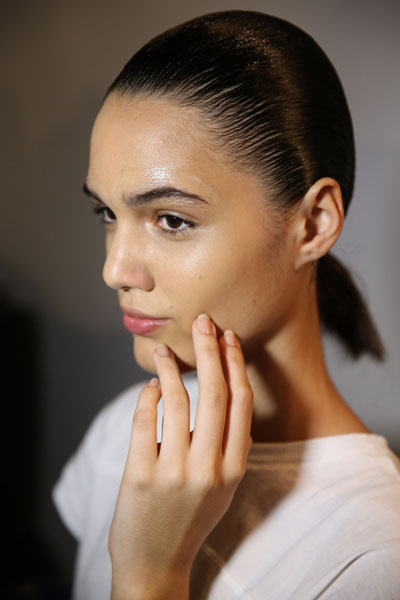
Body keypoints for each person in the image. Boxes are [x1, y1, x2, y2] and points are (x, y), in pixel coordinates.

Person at [53, 10, 400, 600]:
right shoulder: (129, 434)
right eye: (109, 213)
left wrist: (150, 577)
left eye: (171, 219)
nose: (114, 269)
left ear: (313, 224)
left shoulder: (374, 555)